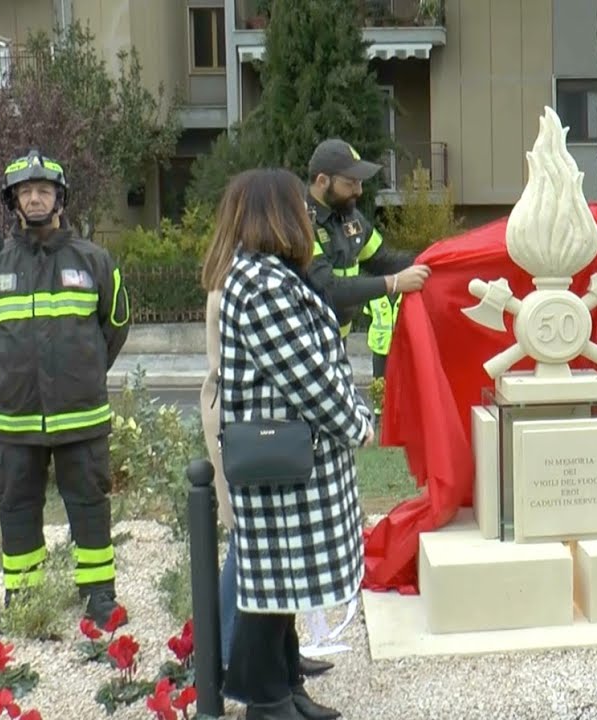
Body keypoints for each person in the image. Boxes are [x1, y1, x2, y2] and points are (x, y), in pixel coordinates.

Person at [208, 168, 374, 720]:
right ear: (279, 214)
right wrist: (358, 424)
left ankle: (284, 687)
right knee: (267, 588)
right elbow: (310, 378)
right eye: (299, 207)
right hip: (284, 464)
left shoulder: (265, 275)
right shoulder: (261, 285)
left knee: (279, 588)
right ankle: (267, 700)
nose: (308, 215)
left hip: (288, 462)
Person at [0, 150, 132, 627]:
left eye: (43, 190)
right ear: (13, 200)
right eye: (26, 191)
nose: (35, 198)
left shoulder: (95, 260)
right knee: (17, 507)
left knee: (90, 506)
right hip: (16, 419)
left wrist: (86, 370)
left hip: (81, 417)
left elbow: (116, 324)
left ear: (59, 198)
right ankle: (23, 599)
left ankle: (98, 595)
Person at [198, 195, 337, 695]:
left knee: (261, 547)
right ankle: (231, 659)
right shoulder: (249, 286)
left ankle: (278, 661)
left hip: (248, 421)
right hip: (250, 427)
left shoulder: (247, 275)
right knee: (251, 546)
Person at [305, 138, 430, 333]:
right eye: (350, 183)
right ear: (322, 181)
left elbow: (382, 260)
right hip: (307, 338)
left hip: (338, 336)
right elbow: (329, 288)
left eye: (360, 182)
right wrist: (394, 283)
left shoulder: (351, 217)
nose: (359, 191)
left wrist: (432, 258)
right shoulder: (299, 223)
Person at [362, 291, 402, 380]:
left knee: (398, 380)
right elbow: (367, 317)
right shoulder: (373, 294)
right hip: (379, 346)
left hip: (400, 347)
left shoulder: (405, 295)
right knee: (379, 382)